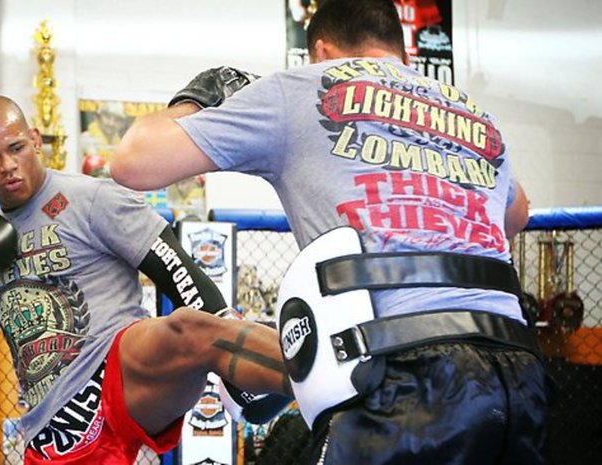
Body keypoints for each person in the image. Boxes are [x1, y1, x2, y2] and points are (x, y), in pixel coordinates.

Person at [110, 0, 552, 464]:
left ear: (321, 50)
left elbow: (134, 162)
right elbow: (516, 214)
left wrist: (199, 99)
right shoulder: (473, 114)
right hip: (519, 375)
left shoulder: (305, 86)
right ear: (400, 50)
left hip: (400, 376)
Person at [0, 94, 292, 464]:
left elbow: (176, 270)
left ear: (35, 139)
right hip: (56, 431)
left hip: (120, 373)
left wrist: (230, 345)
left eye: (16, 147)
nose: (8, 166)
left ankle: (327, 365)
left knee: (190, 329)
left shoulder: (90, 199)